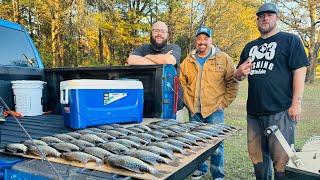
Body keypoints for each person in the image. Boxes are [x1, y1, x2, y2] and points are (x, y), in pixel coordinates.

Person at [234, 3, 309, 180]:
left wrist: (296, 103)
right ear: (257, 20)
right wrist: (238, 72)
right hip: (254, 114)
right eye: (261, 15)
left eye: (269, 14)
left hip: (280, 113)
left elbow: (300, 70)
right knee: (259, 164)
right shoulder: (249, 46)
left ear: (277, 17)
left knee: (282, 165)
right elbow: (237, 76)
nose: (265, 18)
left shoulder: (290, 40)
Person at [179, 26, 238, 179]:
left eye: (206, 38)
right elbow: (181, 83)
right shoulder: (187, 61)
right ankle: (201, 168)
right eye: (199, 39)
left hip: (215, 110)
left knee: (217, 143)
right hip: (194, 110)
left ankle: (218, 174)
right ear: (196, 41)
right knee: (196, 142)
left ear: (211, 40)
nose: (202, 42)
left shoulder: (223, 58)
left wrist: (223, 104)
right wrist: (188, 103)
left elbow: (233, 83)